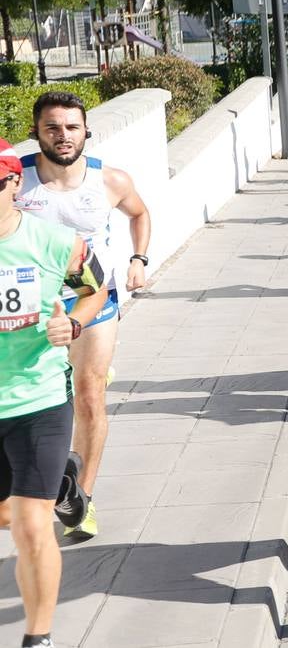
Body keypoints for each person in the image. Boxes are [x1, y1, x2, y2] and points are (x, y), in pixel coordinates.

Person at [14, 93, 151, 542]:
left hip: (92, 299)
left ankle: (82, 498)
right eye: (52, 127)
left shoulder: (109, 180)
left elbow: (140, 213)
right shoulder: (15, 181)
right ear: (36, 132)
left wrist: (138, 259)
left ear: (86, 131)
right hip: (30, 309)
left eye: (72, 127)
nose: (63, 135)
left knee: (90, 397)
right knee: (40, 402)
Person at [0, 135, 110, 648]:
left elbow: (95, 289)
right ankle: (66, 485)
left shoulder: (57, 242)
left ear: (13, 183)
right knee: (7, 515)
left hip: (38, 398)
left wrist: (75, 324)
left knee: (29, 525)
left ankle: (37, 638)